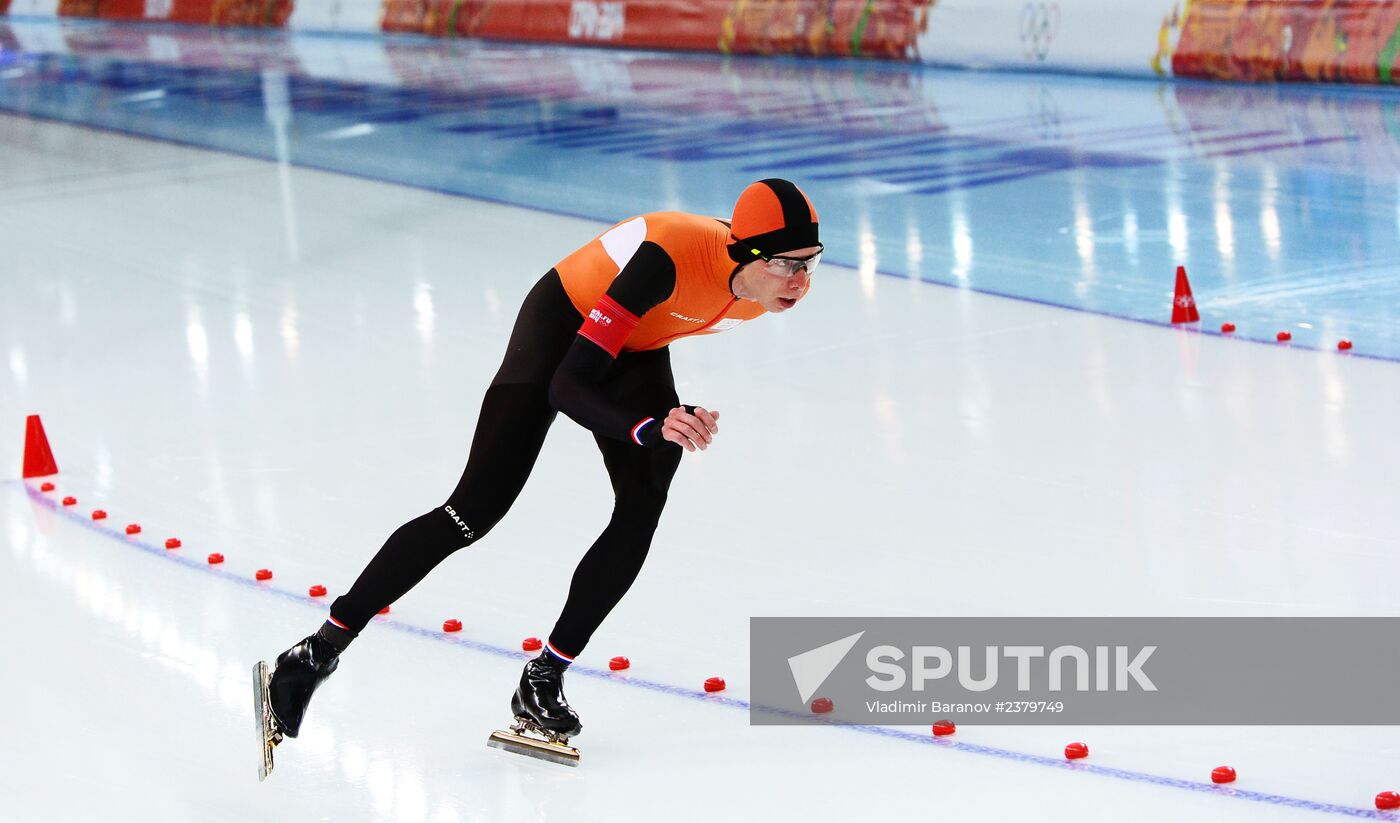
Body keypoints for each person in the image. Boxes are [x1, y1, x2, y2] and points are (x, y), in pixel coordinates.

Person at [260, 178, 821, 755]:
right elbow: (568, 384)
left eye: (811, 264)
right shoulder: (670, 256)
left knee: (642, 504)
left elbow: (643, 343)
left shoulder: (762, 294)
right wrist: (648, 426)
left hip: (635, 345)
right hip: (562, 327)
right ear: (746, 253)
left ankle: (543, 678)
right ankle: (315, 652)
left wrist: (666, 426)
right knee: (471, 512)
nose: (801, 283)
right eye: (787, 265)